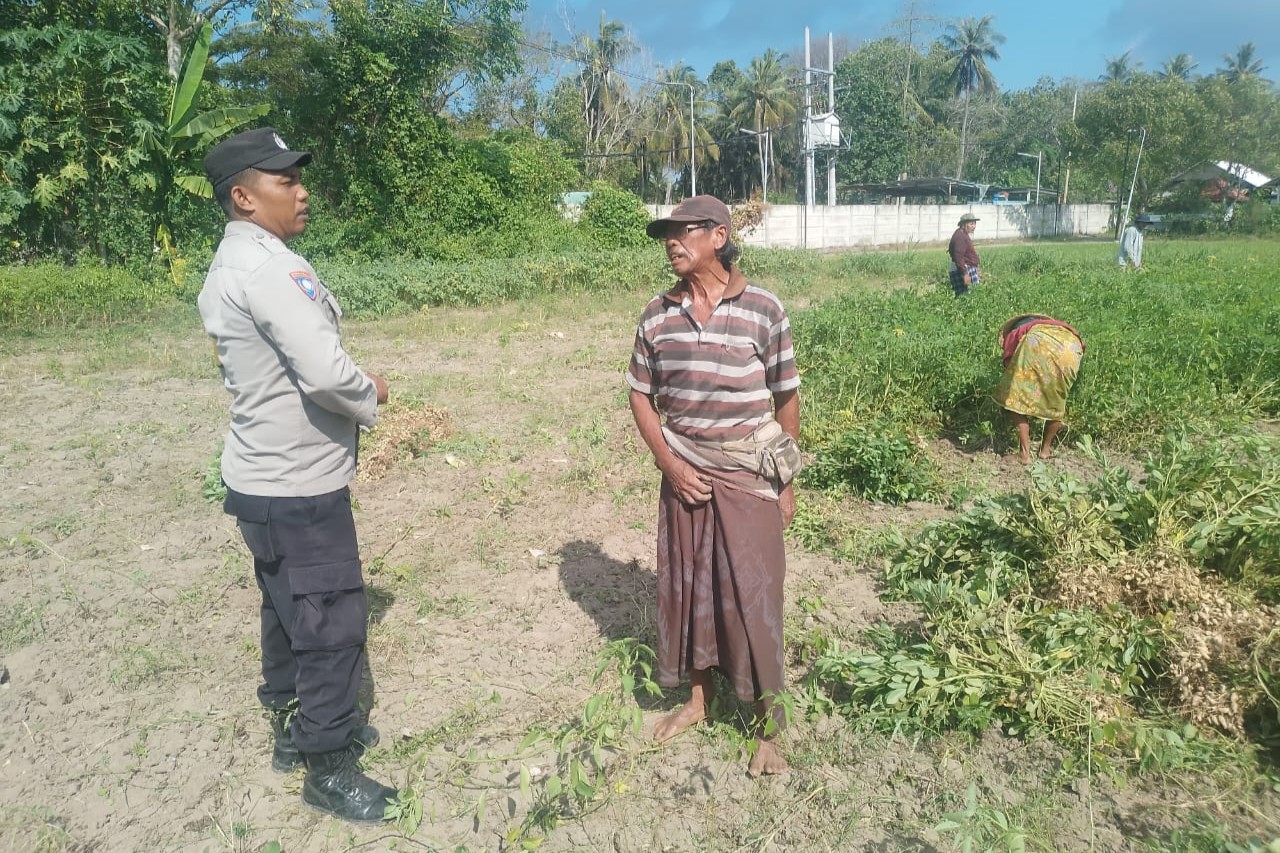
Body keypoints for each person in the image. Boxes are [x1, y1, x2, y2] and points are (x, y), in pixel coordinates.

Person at [197, 127, 397, 822]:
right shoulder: (272, 269)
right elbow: (325, 373)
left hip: (260, 479)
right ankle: (329, 764)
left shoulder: (229, 264)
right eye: (286, 181)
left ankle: (292, 729)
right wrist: (370, 392)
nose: (302, 192)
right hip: (298, 483)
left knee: (285, 612)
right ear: (245, 197)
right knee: (330, 620)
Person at [626, 195, 802, 778]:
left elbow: (786, 396)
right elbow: (640, 396)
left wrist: (785, 482)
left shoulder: (763, 309)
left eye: (684, 231)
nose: (671, 241)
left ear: (719, 236)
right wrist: (670, 466)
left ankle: (768, 726)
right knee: (690, 590)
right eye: (667, 234)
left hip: (749, 476)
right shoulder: (656, 315)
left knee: (757, 598)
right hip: (686, 474)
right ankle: (698, 700)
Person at [993, 314, 1086, 463]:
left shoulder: (1017, 333)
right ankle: (1045, 451)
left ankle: (1024, 454)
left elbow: (1009, 365)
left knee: (1012, 398)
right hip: (1072, 348)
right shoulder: (1054, 327)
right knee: (1056, 401)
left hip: (1037, 344)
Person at [947, 212, 982, 295]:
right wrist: (965, 274)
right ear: (963, 224)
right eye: (971, 224)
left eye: (974, 224)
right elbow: (958, 257)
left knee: (969, 295)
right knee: (969, 295)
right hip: (963, 269)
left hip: (965, 268)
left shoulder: (963, 234)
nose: (974, 226)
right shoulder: (960, 236)